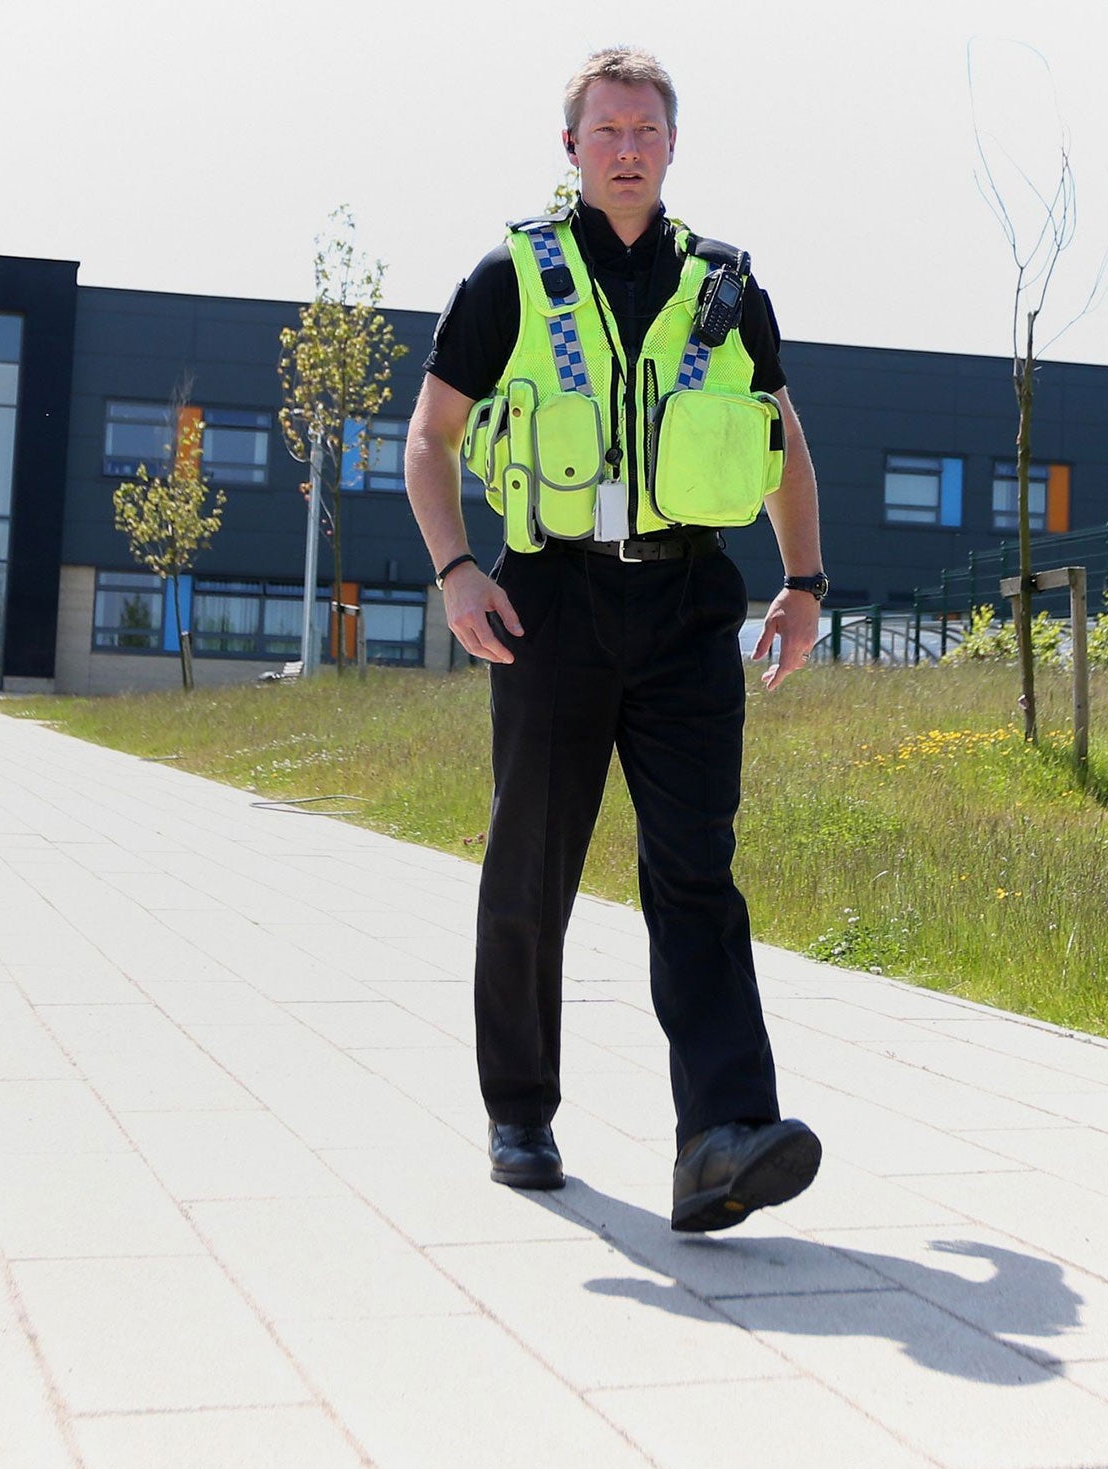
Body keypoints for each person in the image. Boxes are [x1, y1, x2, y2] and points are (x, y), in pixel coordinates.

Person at [403, 46, 829, 1233]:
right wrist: (454, 571)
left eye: (646, 129)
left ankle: (724, 1136)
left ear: (671, 145)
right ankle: (520, 1109)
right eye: (608, 130)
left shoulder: (726, 287)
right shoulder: (509, 279)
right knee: (531, 859)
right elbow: (427, 442)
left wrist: (802, 581)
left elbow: (780, 439)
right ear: (571, 149)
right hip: (552, 603)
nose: (628, 147)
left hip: (691, 605)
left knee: (695, 867)